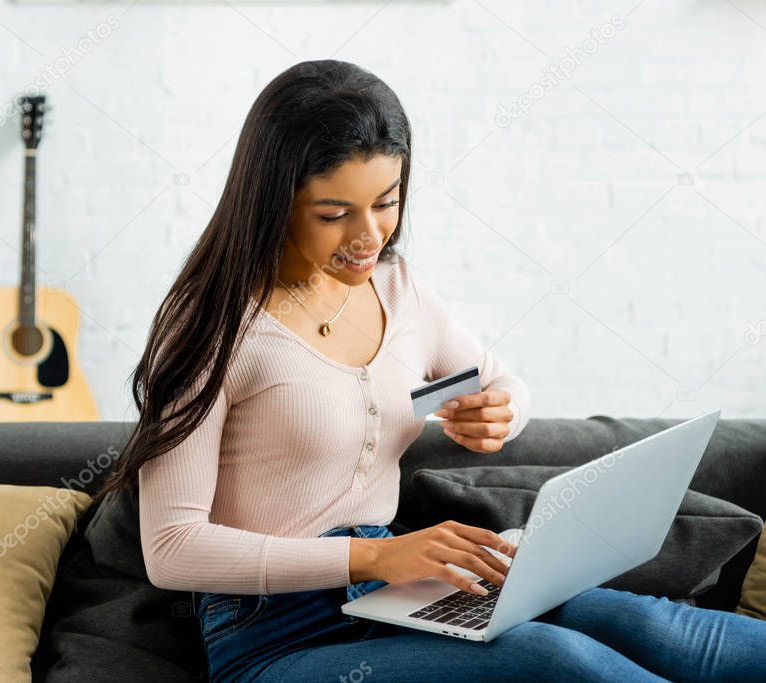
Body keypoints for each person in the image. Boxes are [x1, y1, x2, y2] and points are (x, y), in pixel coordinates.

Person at [93, 59, 766, 682]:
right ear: (270, 201)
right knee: (551, 658)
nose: (368, 236)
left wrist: (499, 404)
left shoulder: (397, 289)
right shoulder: (209, 325)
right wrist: (375, 555)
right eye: (333, 214)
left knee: (652, 624)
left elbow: (499, 381)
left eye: (385, 201)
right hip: (273, 634)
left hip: (401, 589)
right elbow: (173, 547)